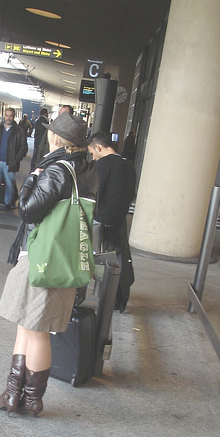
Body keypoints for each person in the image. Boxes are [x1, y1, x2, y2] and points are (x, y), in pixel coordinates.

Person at [0, 112, 98, 417]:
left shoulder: (57, 169)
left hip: (43, 260)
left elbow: (28, 211)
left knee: (34, 331)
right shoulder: (86, 169)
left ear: (55, 138)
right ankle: (13, 394)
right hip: (60, 258)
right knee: (27, 327)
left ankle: (31, 399)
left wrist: (32, 179)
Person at [88, 132, 136, 312]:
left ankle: (103, 295)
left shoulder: (102, 165)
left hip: (101, 220)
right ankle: (120, 297)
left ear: (99, 148)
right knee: (120, 257)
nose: (92, 157)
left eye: (92, 153)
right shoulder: (128, 165)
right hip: (119, 220)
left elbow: (96, 193)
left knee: (98, 260)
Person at [0, 108, 28, 213]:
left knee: (10, 184)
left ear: (14, 116)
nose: (8, 118)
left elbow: (23, 147)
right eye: (7, 115)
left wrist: (16, 159)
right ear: (4, 116)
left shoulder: (19, 130)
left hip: (10, 162)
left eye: (11, 116)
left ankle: (8, 203)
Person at [34, 105, 74, 169]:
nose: (60, 116)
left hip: (62, 167)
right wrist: (38, 164)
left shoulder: (73, 133)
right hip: (47, 164)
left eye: (63, 114)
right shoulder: (51, 128)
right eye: (59, 114)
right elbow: (42, 147)